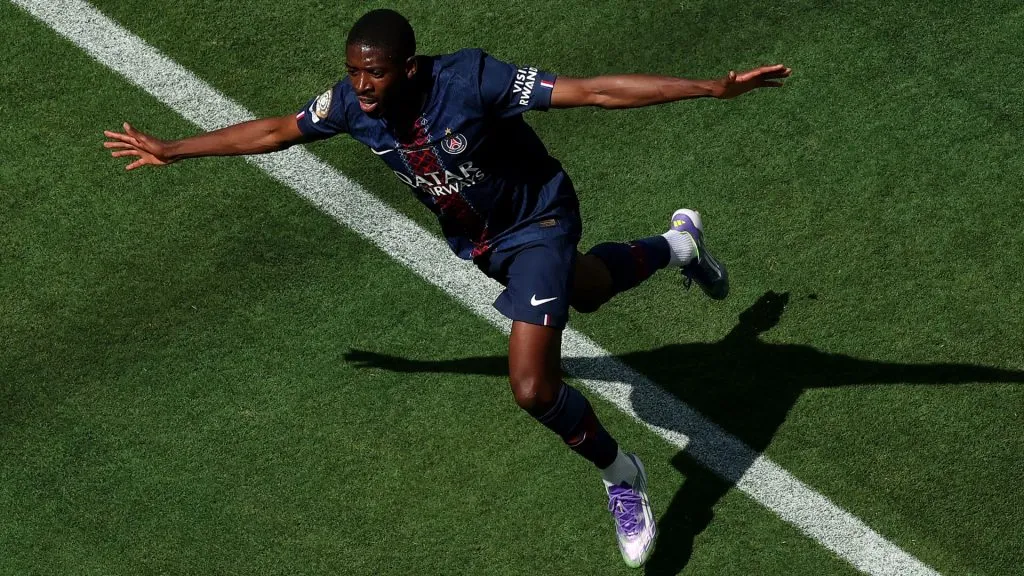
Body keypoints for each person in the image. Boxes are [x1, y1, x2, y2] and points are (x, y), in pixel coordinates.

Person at [104, 8, 790, 567]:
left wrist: (708, 87)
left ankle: (623, 475)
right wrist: (174, 149)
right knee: (590, 287)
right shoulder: (352, 107)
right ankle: (680, 244)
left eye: (373, 73)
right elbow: (278, 129)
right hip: (488, 244)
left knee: (532, 386)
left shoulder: (472, 79)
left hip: (540, 220)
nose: (361, 85)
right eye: (353, 72)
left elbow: (592, 91)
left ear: (407, 67)